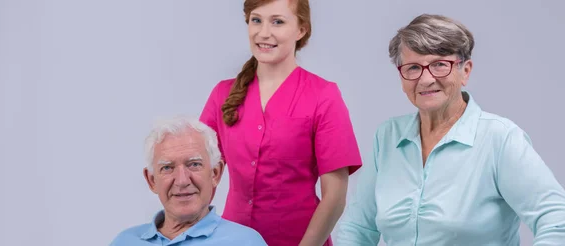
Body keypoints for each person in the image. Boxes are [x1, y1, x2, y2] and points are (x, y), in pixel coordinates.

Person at [336, 14, 565, 245]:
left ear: (465, 71)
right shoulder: (388, 136)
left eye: (439, 65)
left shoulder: (500, 138)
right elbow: (358, 227)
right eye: (413, 67)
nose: (426, 79)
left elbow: (557, 221)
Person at [199, 0, 362, 245]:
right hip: (233, 240)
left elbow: (335, 197)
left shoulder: (323, 96)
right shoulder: (222, 94)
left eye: (278, 21)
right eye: (256, 20)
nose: (264, 33)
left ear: (301, 29)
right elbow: (199, 175)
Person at [109, 117, 267, 246]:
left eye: (194, 164)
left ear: (215, 173)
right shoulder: (124, 241)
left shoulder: (246, 242)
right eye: (167, 168)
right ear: (152, 181)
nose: (182, 180)